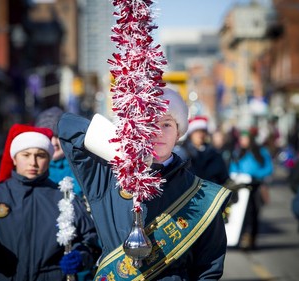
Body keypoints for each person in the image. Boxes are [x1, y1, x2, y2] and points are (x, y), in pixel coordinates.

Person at [58, 88, 232, 280]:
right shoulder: (107, 176)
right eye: (148, 124)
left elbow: (209, 268)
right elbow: (67, 127)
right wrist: (123, 150)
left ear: (178, 133)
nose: (157, 132)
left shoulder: (201, 193)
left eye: (166, 124)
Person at [0, 124, 100, 281]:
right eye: (26, 155)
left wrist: (81, 256)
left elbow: (90, 240)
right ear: (14, 158)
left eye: (40, 155)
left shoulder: (65, 198)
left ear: (49, 158)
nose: (33, 162)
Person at [229, 129, 273, 250]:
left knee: (254, 213)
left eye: (245, 138)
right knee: (241, 213)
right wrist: (238, 176)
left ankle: (252, 238)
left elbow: (269, 168)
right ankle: (242, 237)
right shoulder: (238, 152)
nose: (243, 141)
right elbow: (232, 168)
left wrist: (254, 174)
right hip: (242, 188)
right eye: (241, 138)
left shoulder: (261, 152)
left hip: (256, 187)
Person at [35, 106, 83, 197]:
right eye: (49, 137)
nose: (54, 143)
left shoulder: (79, 165)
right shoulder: (33, 168)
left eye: (58, 137)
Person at [177, 116, 230, 186]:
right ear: (190, 134)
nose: (200, 135)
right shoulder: (182, 154)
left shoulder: (214, 154)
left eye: (203, 131)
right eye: (196, 131)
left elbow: (223, 177)